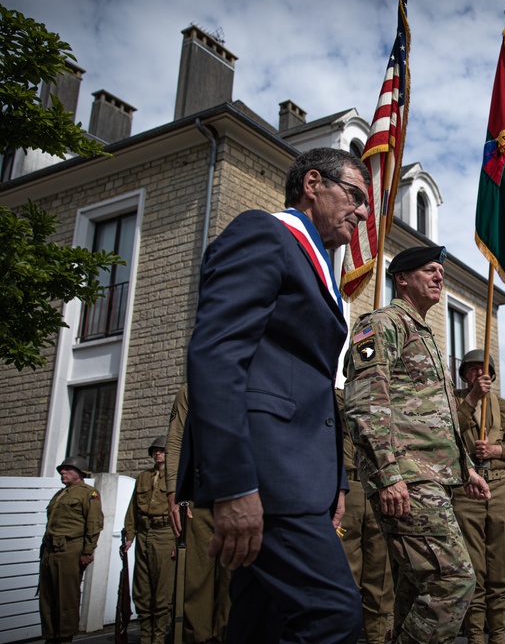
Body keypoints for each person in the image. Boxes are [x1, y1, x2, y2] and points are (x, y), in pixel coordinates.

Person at [177, 147, 370, 643]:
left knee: (260, 624)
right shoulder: (264, 233)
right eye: (354, 196)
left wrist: (336, 483)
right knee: (334, 617)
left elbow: (313, 388)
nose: (363, 212)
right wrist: (235, 486)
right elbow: (217, 357)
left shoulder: (316, 260)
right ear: (312, 184)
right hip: (267, 479)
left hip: (299, 478)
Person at [343, 245, 492, 644]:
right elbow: (364, 403)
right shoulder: (380, 325)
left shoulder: (424, 335)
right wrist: (388, 474)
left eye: (440, 272)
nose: (439, 277)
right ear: (401, 278)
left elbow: (434, 417)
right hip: (406, 479)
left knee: (413, 590)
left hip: (430, 478)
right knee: (454, 581)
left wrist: (467, 469)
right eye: (429, 270)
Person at [452, 349, 505, 644]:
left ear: (492, 374)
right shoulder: (451, 403)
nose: (477, 374)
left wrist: (497, 451)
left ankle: (497, 634)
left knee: (502, 564)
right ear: (464, 375)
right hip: (464, 490)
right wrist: (471, 399)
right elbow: (445, 435)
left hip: (499, 488)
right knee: (472, 566)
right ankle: (474, 634)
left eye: (482, 369)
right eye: (471, 370)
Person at [164, 384, 230, 644]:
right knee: (195, 589)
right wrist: (173, 492)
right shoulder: (192, 389)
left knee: (234, 591)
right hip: (199, 499)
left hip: (242, 496)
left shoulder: (257, 377)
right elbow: (176, 437)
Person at [337, 390, 394, 644]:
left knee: (380, 579)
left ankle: (377, 639)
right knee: (343, 576)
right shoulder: (338, 398)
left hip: (380, 488)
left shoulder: (389, 399)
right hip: (346, 490)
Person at [39, 455, 103, 643]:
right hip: (50, 551)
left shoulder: (88, 493)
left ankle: (65, 637)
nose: (63, 472)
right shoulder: (61, 494)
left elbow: (94, 523)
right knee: (48, 598)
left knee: (66, 598)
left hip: (70, 550)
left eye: (67, 469)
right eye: (61, 470)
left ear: (80, 473)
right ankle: (50, 636)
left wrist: (87, 551)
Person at [123, 437, 173, 644]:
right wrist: (129, 536)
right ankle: (145, 636)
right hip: (144, 533)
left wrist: (179, 543)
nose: (158, 454)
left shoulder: (175, 478)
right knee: (142, 588)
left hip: (165, 534)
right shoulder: (143, 477)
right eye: (155, 451)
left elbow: (184, 511)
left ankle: (159, 637)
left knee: (162, 589)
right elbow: (132, 509)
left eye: (161, 450)